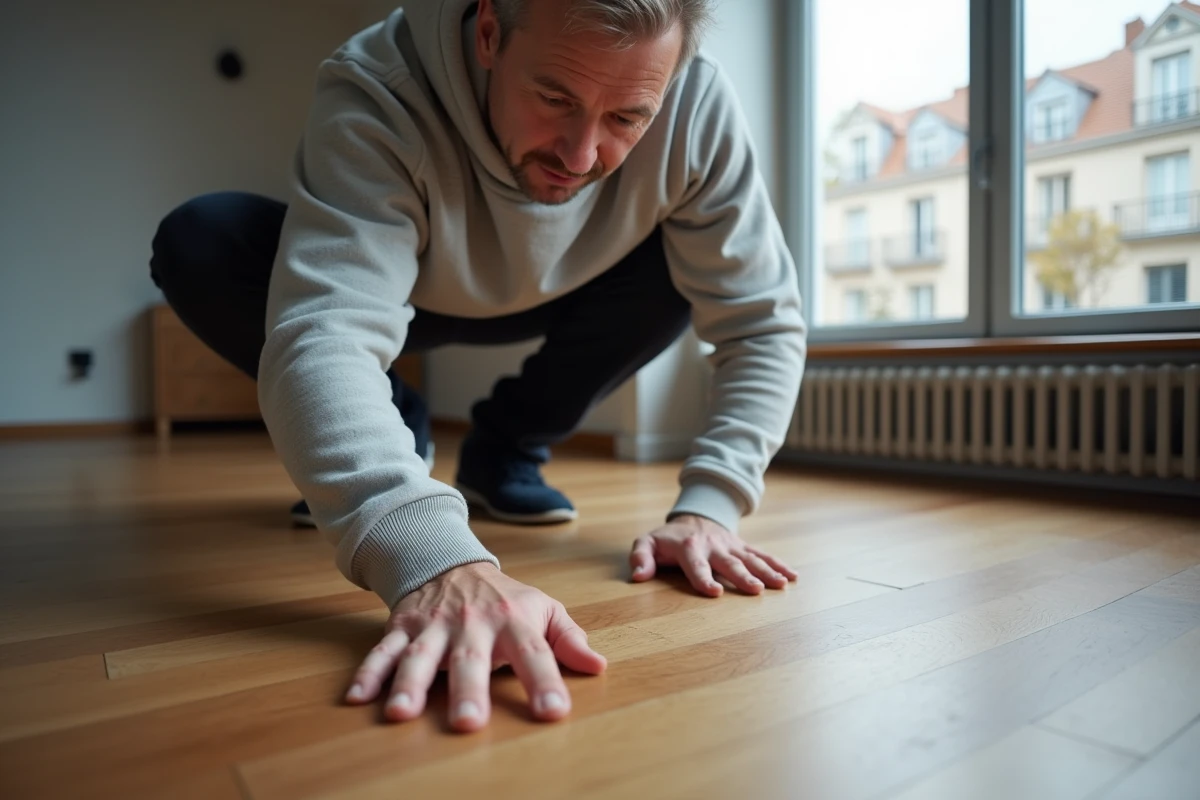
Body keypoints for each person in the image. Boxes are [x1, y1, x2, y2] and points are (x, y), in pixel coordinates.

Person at [149, 0, 806, 733]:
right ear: (489, 32)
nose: (580, 155)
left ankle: (505, 451)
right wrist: (430, 557)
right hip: (404, 283)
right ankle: (397, 419)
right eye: (554, 97)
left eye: (627, 119)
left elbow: (760, 320)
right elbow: (326, 331)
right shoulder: (378, 85)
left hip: (575, 283)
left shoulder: (696, 103)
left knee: (684, 269)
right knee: (200, 240)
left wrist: (711, 506)